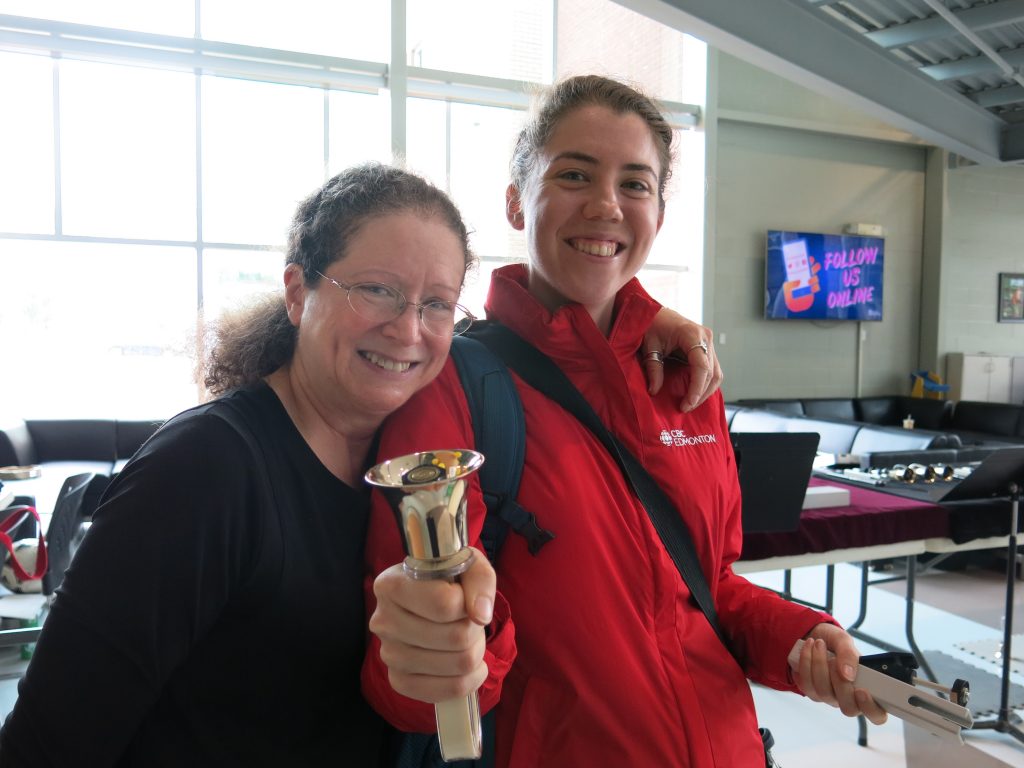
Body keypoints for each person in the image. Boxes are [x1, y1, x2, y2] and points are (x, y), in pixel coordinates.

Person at [0, 162, 718, 767]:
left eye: (436, 303)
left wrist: (650, 320)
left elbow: (538, 338)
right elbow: (48, 742)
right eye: (376, 290)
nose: (408, 329)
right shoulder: (205, 471)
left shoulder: (411, 463)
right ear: (297, 292)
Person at [363, 75, 888, 767]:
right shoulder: (457, 388)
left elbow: (713, 588)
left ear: (659, 214)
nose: (606, 204)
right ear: (517, 201)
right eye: (574, 175)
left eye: (635, 184)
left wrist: (800, 636)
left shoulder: (687, 382)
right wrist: (443, 652)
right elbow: (416, 678)